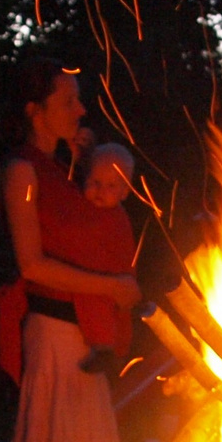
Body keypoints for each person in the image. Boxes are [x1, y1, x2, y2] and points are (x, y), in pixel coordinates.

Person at [0, 59, 141, 442]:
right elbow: (31, 263)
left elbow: (86, 209)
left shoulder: (58, 168)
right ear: (35, 110)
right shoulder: (22, 174)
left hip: (80, 333)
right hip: (53, 332)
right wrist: (113, 287)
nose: (82, 109)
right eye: (69, 100)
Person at [71, 142, 138, 376]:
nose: (100, 191)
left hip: (111, 280)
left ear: (125, 191)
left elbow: (123, 255)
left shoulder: (118, 220)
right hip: (93, 278)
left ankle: (107, 351)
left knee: (109, 314)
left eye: (111, 186)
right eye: (95, 183)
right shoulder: (82, 208)